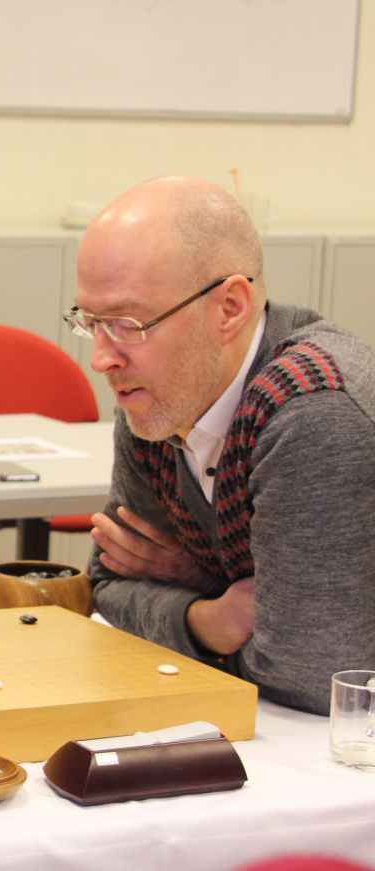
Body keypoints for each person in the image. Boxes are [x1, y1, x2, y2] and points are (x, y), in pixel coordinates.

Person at [70, 175, 375, 715]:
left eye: (127, 322)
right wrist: (206, 617)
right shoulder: (158, 399)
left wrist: (193, 580)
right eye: (91, 322)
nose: (102, 359)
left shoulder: (312, 410)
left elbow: (308, 676)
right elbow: (107, 587)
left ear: (230, 307)